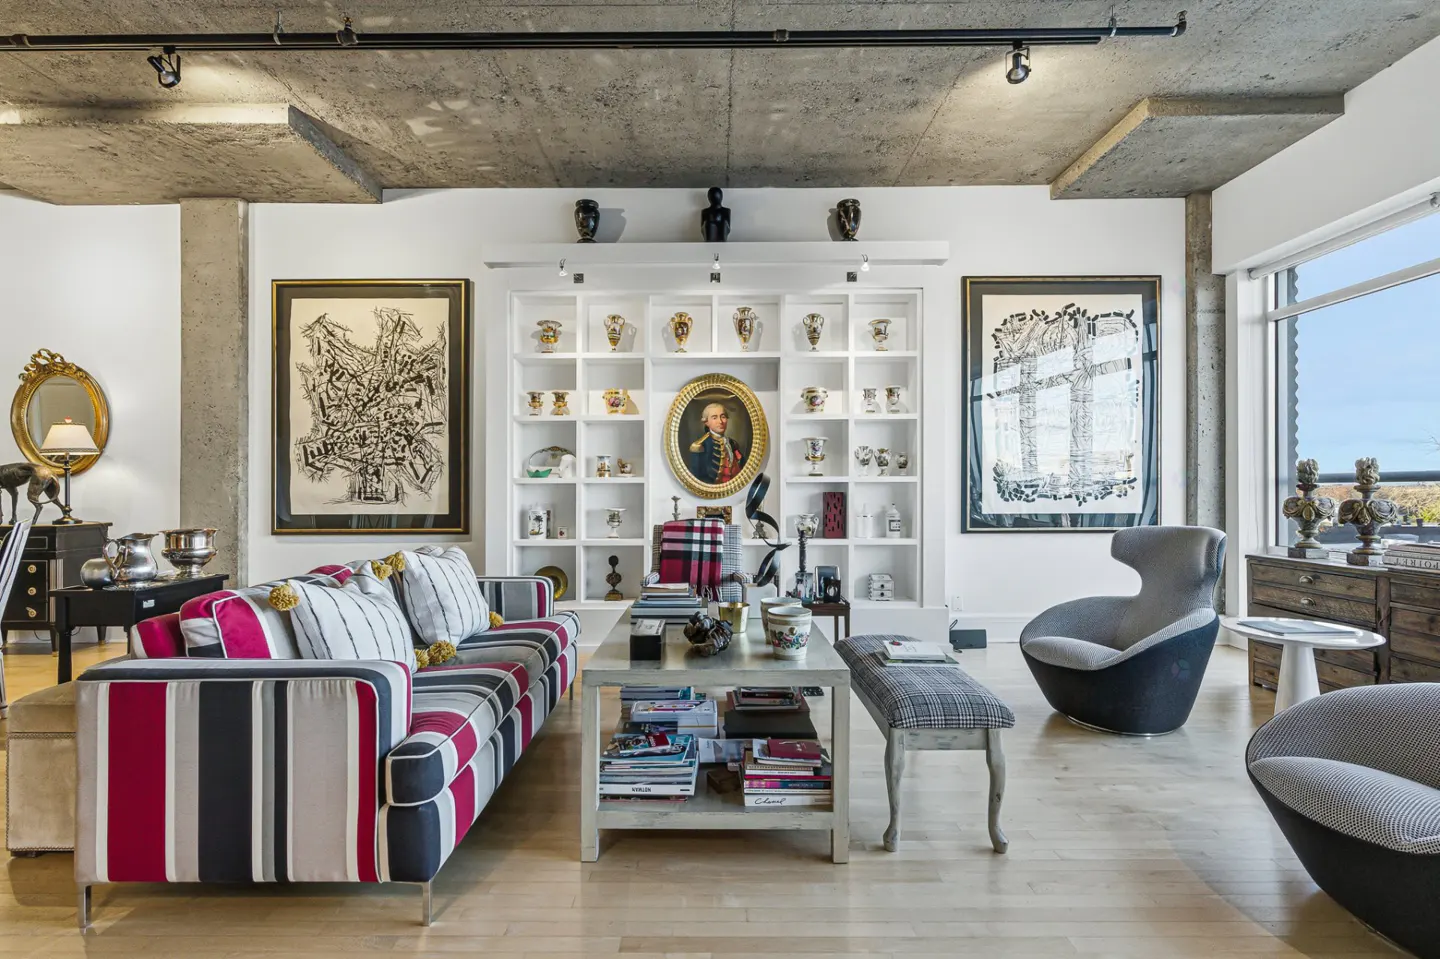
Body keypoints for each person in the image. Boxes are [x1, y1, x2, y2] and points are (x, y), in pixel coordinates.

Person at [688, 400, 745, 484]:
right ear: (706, 422)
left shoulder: (732, 443)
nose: (720, 421)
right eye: (714, 418)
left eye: (723, 417)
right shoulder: (700, 446)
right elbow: (699, 478)